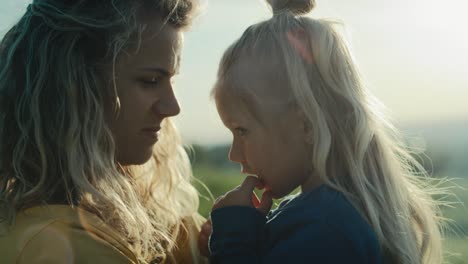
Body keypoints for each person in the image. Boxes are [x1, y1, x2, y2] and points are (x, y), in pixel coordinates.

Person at [201, 0, 445, 263]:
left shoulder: (325, 231)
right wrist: (245, 237)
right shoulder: (326, 216)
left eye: (242, 130)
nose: (234, 154)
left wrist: (233, 243)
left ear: (306, 125)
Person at [0, 0, 208, 263]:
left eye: (172, 80)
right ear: (75, 87)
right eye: (151, 81)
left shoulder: (145, 220)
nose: (172, 107)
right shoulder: (58, 247)